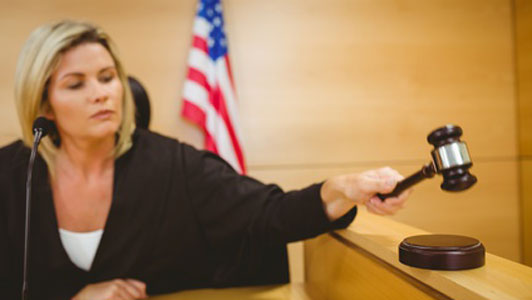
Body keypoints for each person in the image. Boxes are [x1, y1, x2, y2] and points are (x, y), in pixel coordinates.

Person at [0, 20, 410, 300]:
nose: (101, 93)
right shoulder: (10, 174)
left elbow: (270, 212)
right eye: (77, 84)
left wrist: (338, 191)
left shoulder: (173, 165)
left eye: (108, 77)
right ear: (44, 106)